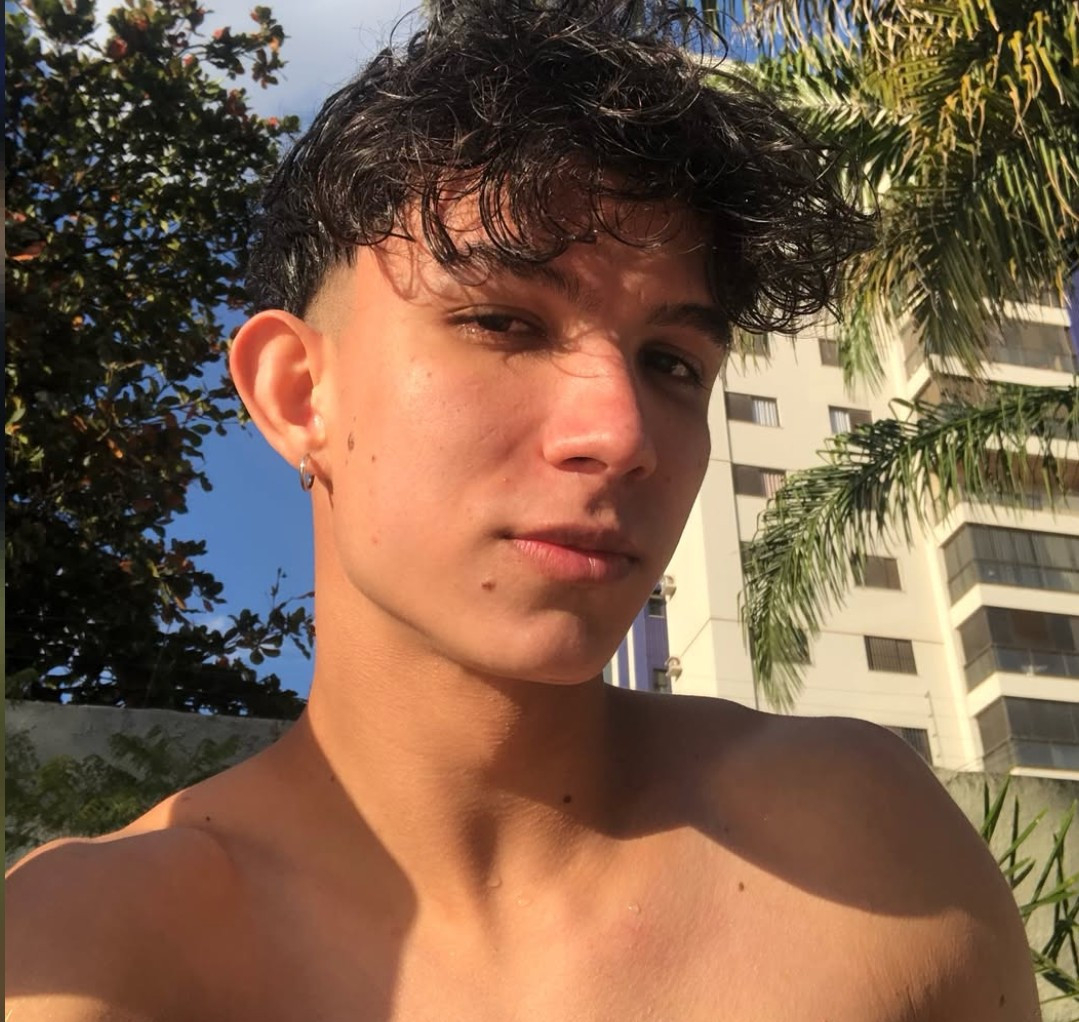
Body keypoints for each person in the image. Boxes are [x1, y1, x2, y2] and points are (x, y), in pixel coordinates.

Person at [6, 2, 1038, 1019]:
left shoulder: (867, 848)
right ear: (298, 394)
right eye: (501, 322)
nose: (621, 433)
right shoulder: (92, 948)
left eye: (672, 362)